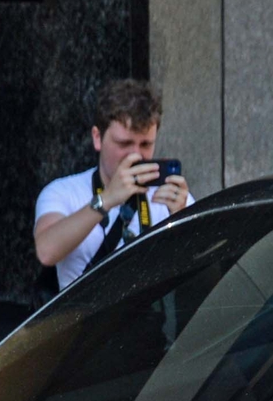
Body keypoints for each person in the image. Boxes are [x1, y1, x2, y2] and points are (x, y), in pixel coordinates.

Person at [32, 79, 192, 291]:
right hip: (84, 321)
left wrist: (182, 218)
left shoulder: (168, 195)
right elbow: (47, 252)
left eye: (145, 144)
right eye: (124, 144)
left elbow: (203, 274)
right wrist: (106, 200)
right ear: (97, 138)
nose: (135, 154)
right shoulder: (63, 191)